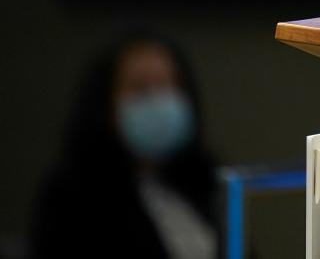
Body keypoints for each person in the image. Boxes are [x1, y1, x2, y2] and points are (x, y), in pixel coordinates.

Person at [29, 30, 219, 259]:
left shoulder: (208, 179)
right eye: (140, 88)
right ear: (106, 105)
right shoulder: (71, 197)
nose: (158, 100)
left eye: (167, 85)